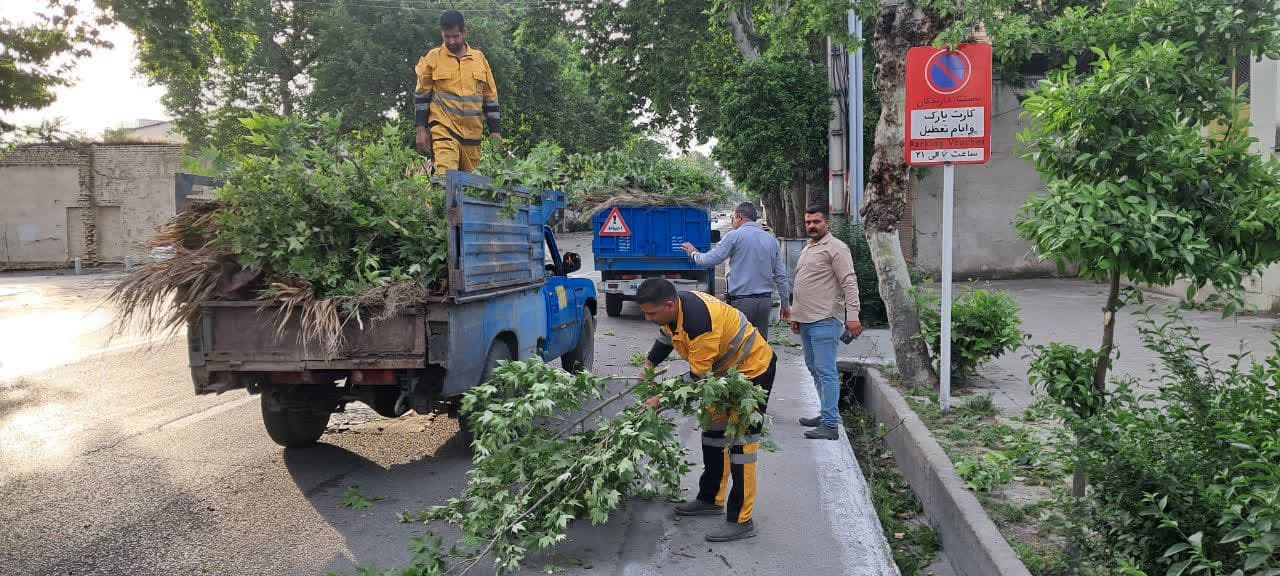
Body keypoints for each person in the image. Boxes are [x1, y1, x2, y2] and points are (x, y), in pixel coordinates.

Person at [636, 278, 776, 543]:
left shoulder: (701, 325)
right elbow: (666, 339)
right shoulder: (672, 313)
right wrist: (649, 363)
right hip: (723, 376)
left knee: (741, 448)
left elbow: (696, 378)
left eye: (651, 313)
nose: (647, 318)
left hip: (753, 373)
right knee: (713, 435)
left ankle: (741, 520)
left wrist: (661, 398)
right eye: (645, 312)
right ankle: (710, 499)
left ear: (669, 304)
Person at [789, 205, 862, 441]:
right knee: (815, 369)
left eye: (816, 222)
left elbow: (849, 282)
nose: (812, 225)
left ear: (827, 224)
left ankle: (830, 425)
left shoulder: (836, 248)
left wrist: (853, 316)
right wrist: (796, 316)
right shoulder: (809, 247)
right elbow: (804, 284)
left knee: (826, 371)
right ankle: (826, 413)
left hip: (825, 320)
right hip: (807, 321)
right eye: (808, 222)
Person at [682, 202, 791, 339]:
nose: (732, 220)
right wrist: (785, 305)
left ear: (739, 216)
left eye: (733, 217)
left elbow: (711, 260)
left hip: (742, 302)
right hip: (764, 303)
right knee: (760, 348)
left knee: (738, 346)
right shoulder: (771, 240)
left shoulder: (734, 236)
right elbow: (781, 276)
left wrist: (693, 253)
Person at [413, 10, 502, 176]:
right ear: (442, 34)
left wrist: (496, 132)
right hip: (444, 130)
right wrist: (421, 130)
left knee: (472, 189)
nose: (451, 41)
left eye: (455, 36)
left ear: (464, 33)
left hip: (473, 137)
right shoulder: (433, 58)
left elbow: (491, 99)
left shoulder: (479, 59)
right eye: (447, 37)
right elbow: (421, 96)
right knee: (447, 180)